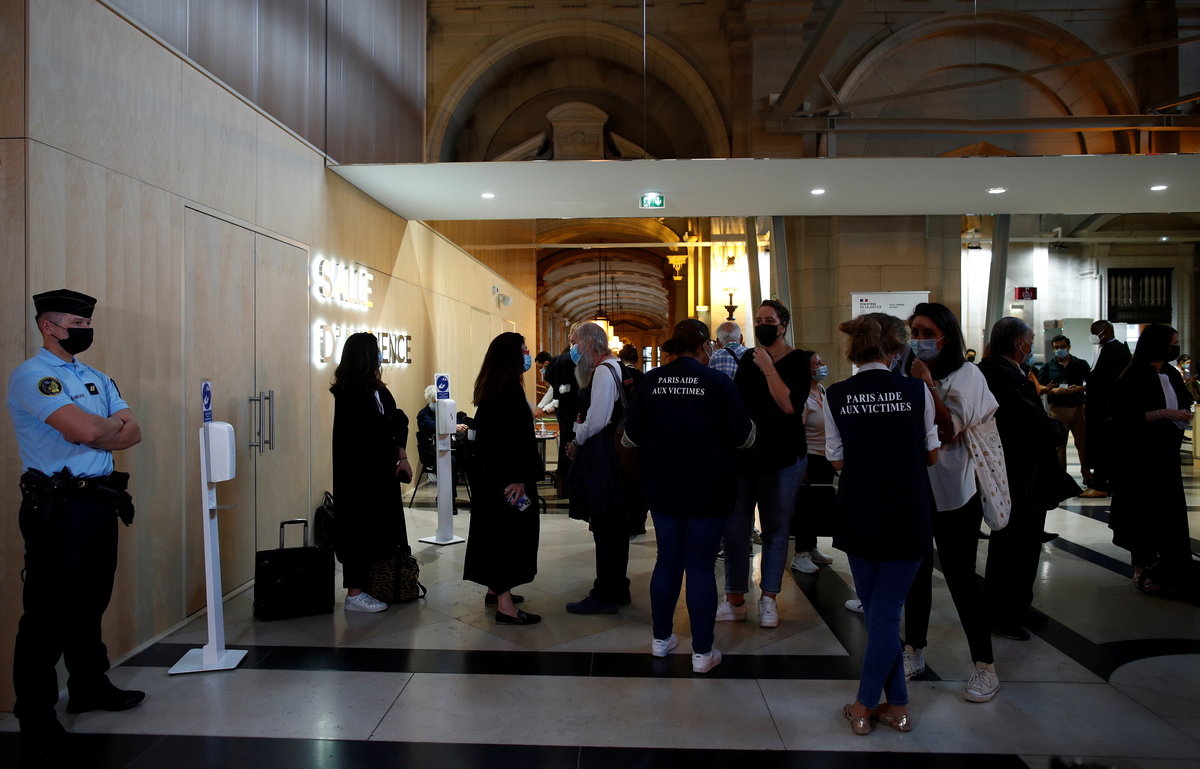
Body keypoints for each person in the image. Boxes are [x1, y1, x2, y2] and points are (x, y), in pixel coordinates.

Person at [7, 289, 144, 760]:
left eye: (87, 324)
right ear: (48, 326)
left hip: (99, 502)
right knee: (47, 613)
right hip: (58, 507)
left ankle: (88, 686)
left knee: (90, 603)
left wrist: (99, 429)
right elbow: (88, 430)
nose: (84, 330)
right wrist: (102, 429)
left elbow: (133, 430)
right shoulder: (34, 376)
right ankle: (35, 716)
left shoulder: (95, 377)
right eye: (75, 324)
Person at [822, 312, 938, 736]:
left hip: (861, 510)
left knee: (880, 616)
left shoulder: (836, 394)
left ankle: (864, 705)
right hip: (908, 510)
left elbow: (836, 460)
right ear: (896, 349)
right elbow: (931, 454)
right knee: (884, 615)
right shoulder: (917, 390)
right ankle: (899, 707)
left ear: (854, 350)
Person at [622, 319, 755, 673]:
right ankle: (702, 653)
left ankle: (660, 640)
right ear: (704, 347)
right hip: (709, 488)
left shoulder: (651, 381)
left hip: (662, 487)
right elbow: (745, 437)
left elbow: (629, 438)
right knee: (700, 565)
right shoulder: (718, 382)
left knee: (667, 561)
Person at [902, 303, 1001, 702]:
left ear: (947, 336)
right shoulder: (906, 372)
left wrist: (926, 386)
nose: (920, 340)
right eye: (915, 332)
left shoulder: (968, 375)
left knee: (961, 578)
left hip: (957, 493)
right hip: (917, 489)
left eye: (928, 333)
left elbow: (948, 430)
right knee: (915, 574)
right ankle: (914, 650)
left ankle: (984, 665)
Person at [719, 300, 809, 629]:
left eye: (769, 320)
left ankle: (769, 597)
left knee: (775, 527)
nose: (762, 325)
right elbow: (737, 403)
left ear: (783, 325)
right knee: (735, 529)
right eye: (758, 320)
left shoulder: (798, 360)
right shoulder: (748, 359)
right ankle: (734, 599)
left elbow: (789, 405)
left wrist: (769, 366)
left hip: (782, 456)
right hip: (746, 455)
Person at [977, 317, 1069, 640]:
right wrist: (1057, 429)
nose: (1031, 345)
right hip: (1015, 472)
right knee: (1012, 545)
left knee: (1027, 543)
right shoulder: (999, 376)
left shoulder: (1011, 372)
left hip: (1026, 471)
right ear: (1020, 344)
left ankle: (1018, 604)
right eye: (1029, 340)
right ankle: (1001, 612)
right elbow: (1030, 421)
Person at [462, 332, 543, 624]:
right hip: (508, 479)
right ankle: (505, 606)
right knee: (509, 538)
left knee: (494, 534)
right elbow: (515, 439)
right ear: (512, 355)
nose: (528, 355)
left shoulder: (493, 385)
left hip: (492, 476)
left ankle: (495, 590)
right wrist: (520, 477)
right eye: (524, 350)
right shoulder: (508, 389)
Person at [1109, 324, 1194, 599]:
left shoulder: (1170, 372)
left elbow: (1183, 401)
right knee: (1143, 512)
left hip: (1166, 453)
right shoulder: (1134, 375)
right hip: (1141, 456)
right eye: (1171, 344)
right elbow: (1125, 416)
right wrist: (1164, 413)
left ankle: (1171, 567)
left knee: (1170, 512)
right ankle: (1142, 568)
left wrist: (1182, 413)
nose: (1175, 349)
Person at [330, 332, 413, 613]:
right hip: (359, 478)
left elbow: (396, 423)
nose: (380, 356)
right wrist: (394, 420)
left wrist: (401, 454)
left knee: (379, 529)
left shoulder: (378, 390)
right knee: (358, 530)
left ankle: (375, 585)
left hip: (381, 473)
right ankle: (354, 594)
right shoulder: (349, 393)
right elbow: (377, 427)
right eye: (376, 351)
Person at [564, 322, 635, 613]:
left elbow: (597, 420)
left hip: (604, 457)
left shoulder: (604, 371)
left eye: (575, 342)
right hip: (613, 456)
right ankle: (618, 587)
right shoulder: (616, 366)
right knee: (614, 528)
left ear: (590, 343)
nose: (572, 348)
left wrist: (576, 440)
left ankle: (604, 594)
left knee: (605, 528)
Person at [790, 351, 836, 574]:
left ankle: (812, 546)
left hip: (825, 456)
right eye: (818, 363)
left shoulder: (822, 390)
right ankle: (801, 553)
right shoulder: (802, 396)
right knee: (805, 507)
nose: (822, 365)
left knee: (818, 505)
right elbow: (797, 432)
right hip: (809, 457)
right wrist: (802, 463)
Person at [1081, 320, 1131, 498]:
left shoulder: (1116, 351)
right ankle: (1105, 483)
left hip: (1106, 411)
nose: (1092, 336)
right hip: (1100, 409)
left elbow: (1111, 383)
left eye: (1095, 332)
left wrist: (1108, 410)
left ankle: (1100, 484)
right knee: (1103, 448)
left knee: (1104, 448)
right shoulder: (1107, 349)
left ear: (1105, 332)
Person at [1037, 335, 1091, 486]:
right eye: (1056, 347)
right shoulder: (1048, 367)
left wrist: (1080, 388)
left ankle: (1087, 475)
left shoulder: (1080, 364)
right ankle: (1060, 479)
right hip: (1058, 410)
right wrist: (1053, 390)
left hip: (1078, 409)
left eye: (1062, 347)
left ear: (1069, 347)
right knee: (1058, 446)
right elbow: (1040, 386)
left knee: (1083, 444)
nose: (1059, 350)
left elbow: (1092, 383)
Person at [544, 322, 584, 495]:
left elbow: (551, 379)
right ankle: (573, 483)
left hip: (568, 409)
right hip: (574, 409)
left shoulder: (561, 360)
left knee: (568, 444)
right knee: (574, 443)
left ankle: (568, 484)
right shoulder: (567, 360)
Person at [533, 350, 555, 417]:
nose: (541, 371)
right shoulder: (554, 375)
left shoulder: (560, 372)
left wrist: (543, 410)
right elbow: (551, 392)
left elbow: (560, 399)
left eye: (540, 367)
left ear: (546, 363)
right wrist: (539, 407)